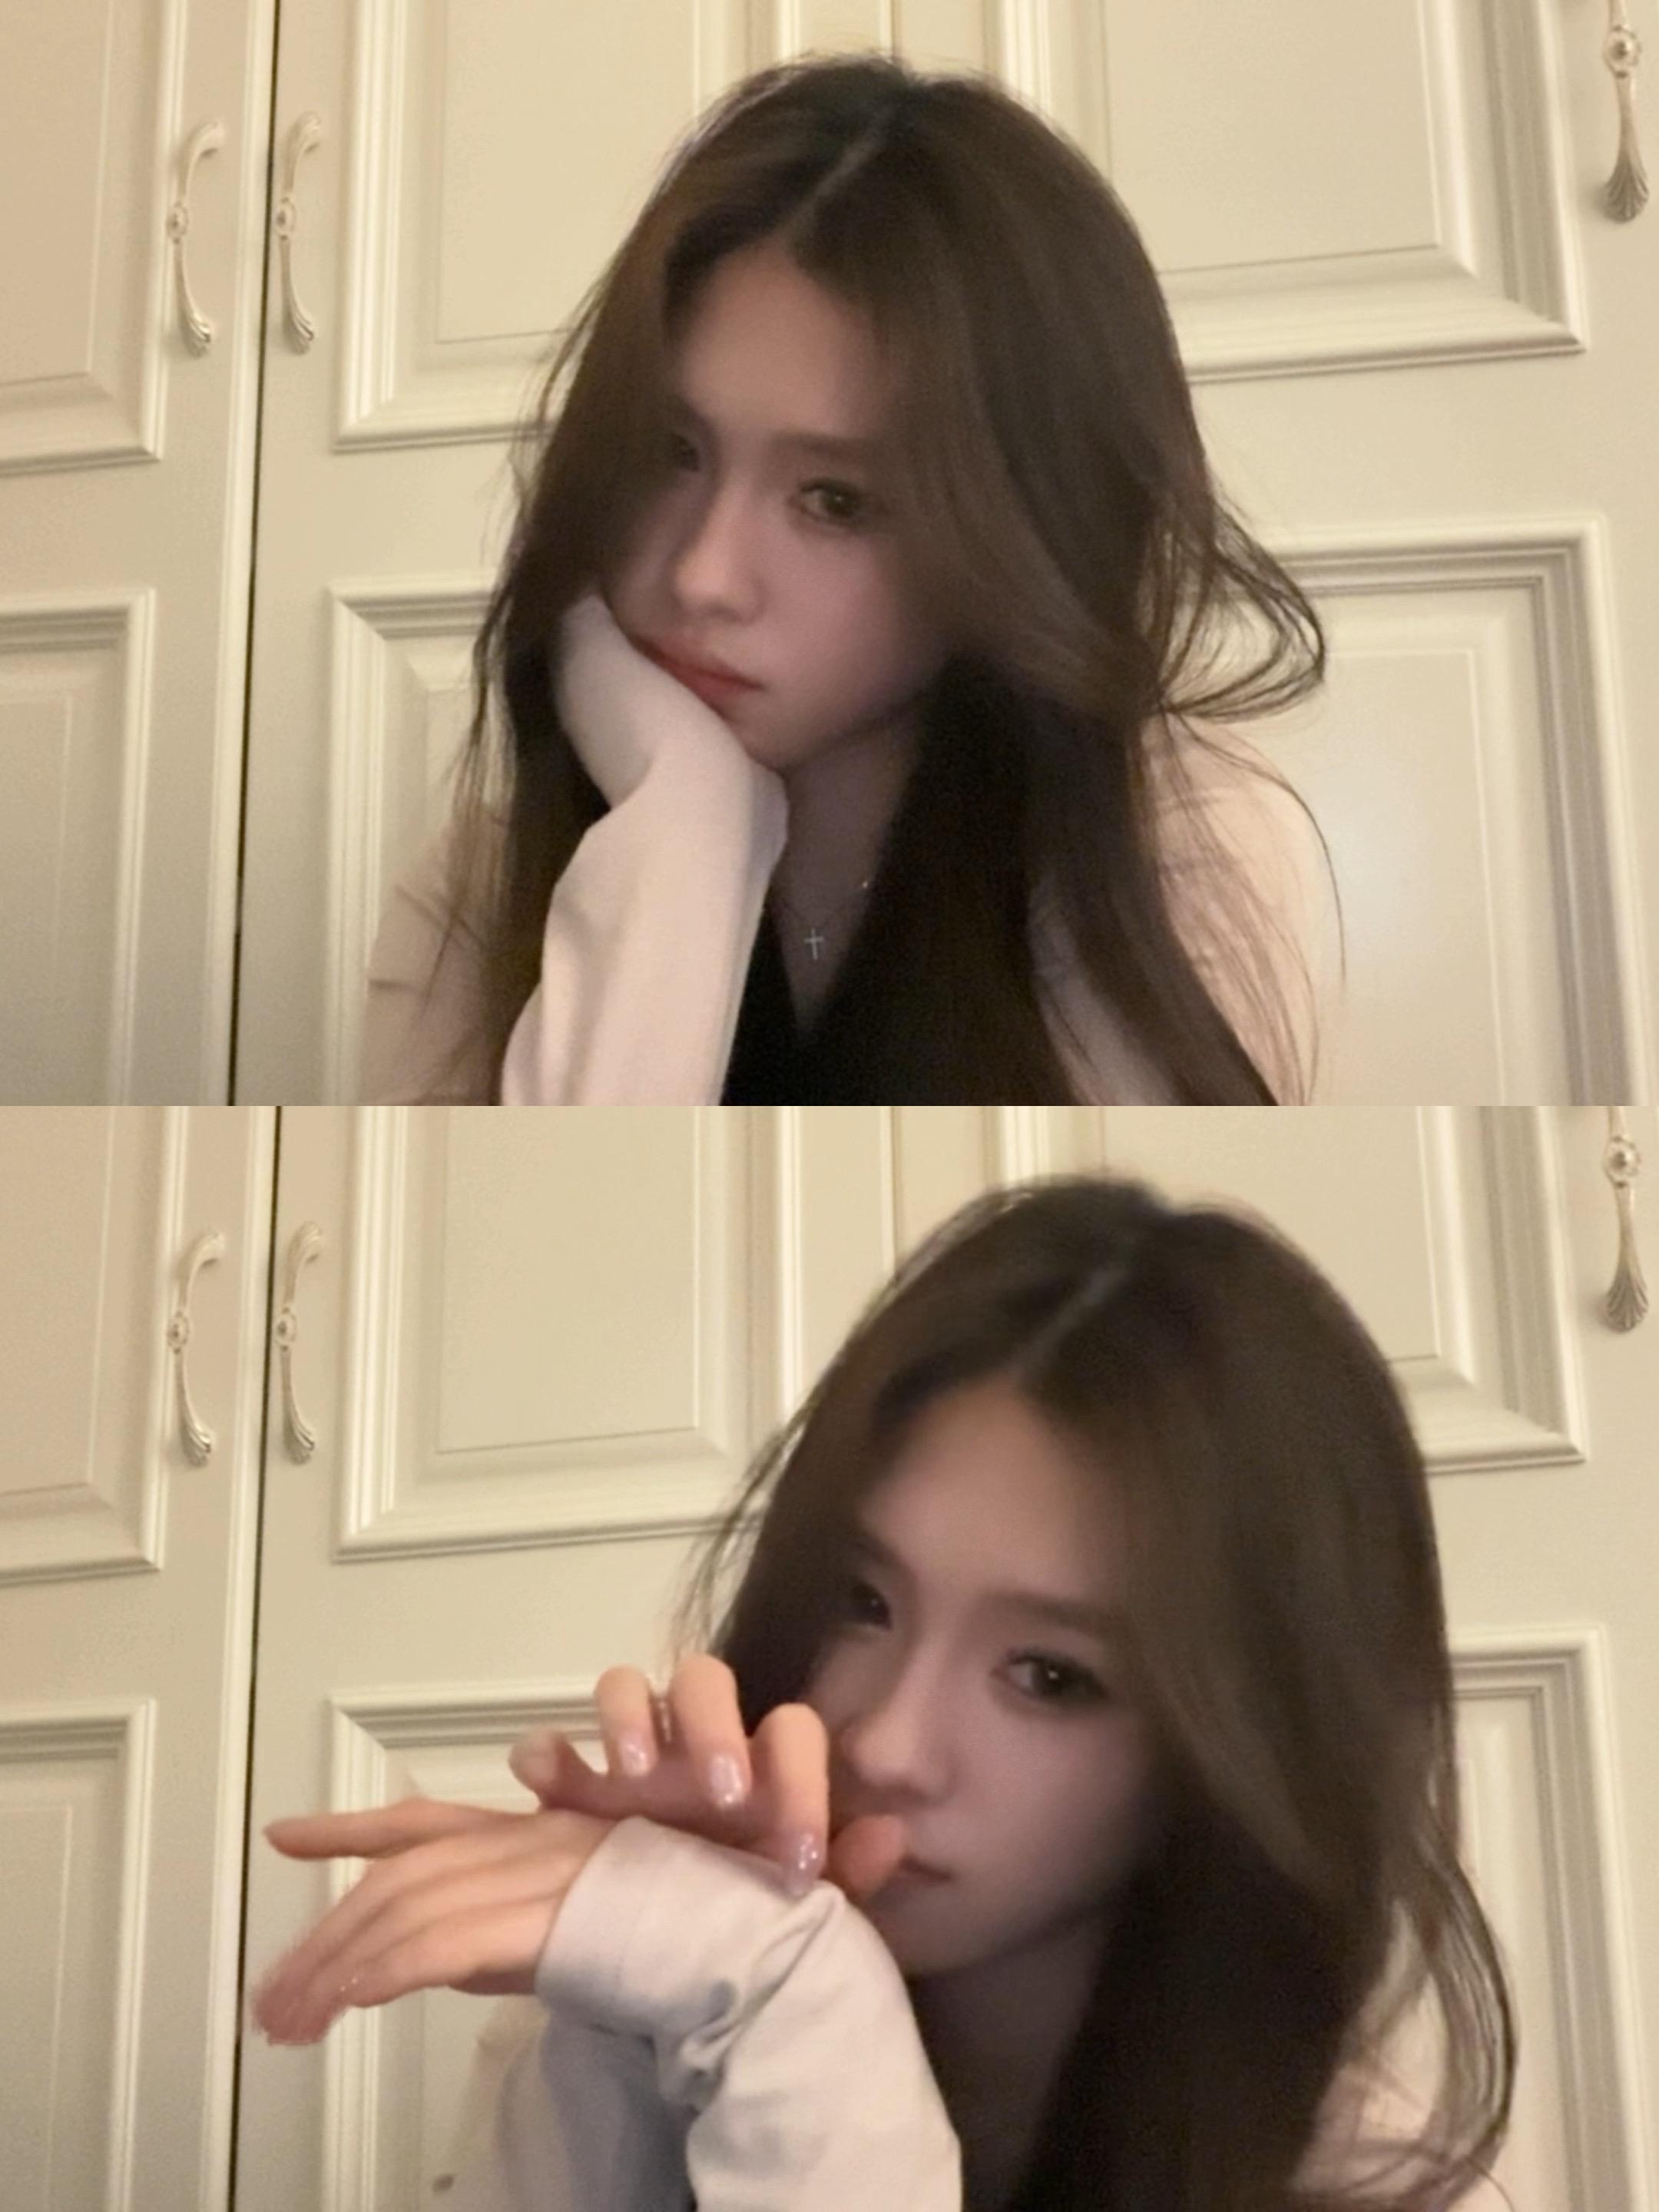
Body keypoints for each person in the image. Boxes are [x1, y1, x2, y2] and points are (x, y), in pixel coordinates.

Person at [253, 1174, 1515, 2212]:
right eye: (862, 1601)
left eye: (1052, 1676)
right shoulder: (644, 1998)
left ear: (1236, 1746)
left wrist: (803, 2011)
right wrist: (656, 2011)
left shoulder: (1358, 2178)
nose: (888, 1743)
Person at [359, 52, 1343, 1107]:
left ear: (1017, 528)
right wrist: (680, 838)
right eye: (671, 452)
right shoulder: (481, 885)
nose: (704, 575)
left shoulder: (1176, 850)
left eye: (835, 501)